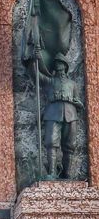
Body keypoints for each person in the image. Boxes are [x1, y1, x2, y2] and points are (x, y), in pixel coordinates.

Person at [34, 51, 83, 179]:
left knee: (69, 146)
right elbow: (35, 74)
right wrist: (36, 59)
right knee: (51, 143)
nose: (58, 65)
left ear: (65, 66)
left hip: (70, 114)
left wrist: (76, 103)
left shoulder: (72, 84)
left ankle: (67, 174)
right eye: (56, 63)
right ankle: (52, 173)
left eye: (61, 63)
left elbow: (78, 102)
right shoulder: (49, 81)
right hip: (52, 113)